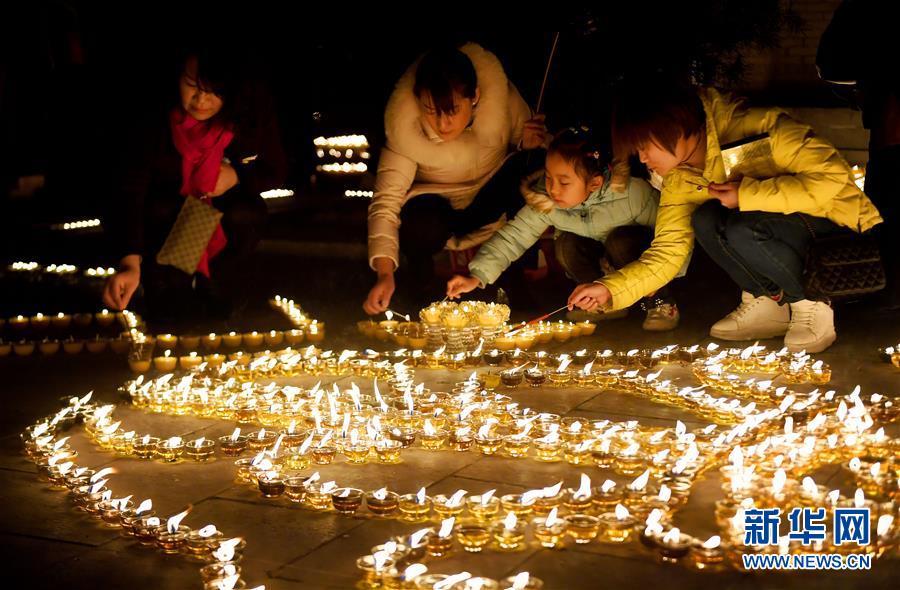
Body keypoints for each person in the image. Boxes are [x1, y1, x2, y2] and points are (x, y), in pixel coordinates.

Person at [568, 83, 882, 352]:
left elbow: (833, 179)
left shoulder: (757, 128)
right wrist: (610, 289)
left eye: (645, 146)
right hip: (778, 230)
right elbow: (669, 251)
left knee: (744, 225)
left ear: (677, 125)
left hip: (838, 230)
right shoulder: (680, 179)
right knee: (705, 219)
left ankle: (811, 301)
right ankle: (769, 302)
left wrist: (748, 195)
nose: (644, 159)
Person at [102, 46, 286, 320]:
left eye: (213, 90)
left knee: (244, 214)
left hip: (224, 213)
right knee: (170, 310)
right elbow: (130, 188)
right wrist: (130, 261)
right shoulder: (154, 119)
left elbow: (277, 168)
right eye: (192, 86)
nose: (201, 99)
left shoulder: (248, 116)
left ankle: (215, 282)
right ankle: (169, 284)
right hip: (167, 216)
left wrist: (237, 175)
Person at [364, 43, 547, 315]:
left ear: (475, 96)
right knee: (420, 223)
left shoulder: (501, 104)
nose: (442, 124)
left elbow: (542, 151)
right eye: (431, 110)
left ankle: (516, 281)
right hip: (437, 212)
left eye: (452, 110)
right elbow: (385, 203)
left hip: (488, 199)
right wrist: (384, 273)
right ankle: (420, 284)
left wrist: (531, 143)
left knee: (528, 168)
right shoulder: (406, 130)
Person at [446, 127, 680, 331]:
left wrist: (661, 280)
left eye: (564, 182)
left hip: (639, 265)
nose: (553, 189)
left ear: (595, 182)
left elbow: (672, 240)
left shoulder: (632, 194)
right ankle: (600, 304)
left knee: (620, 241)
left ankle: (660, 301)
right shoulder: (547, 202)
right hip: (603, 263)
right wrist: (477, 276)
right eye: (548, 178)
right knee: (566, 244)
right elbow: (514, 237)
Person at [818, 0, 900, 311]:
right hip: (889, 130)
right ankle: (887, 289)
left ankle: (888, 290)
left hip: (890, 133)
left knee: (886, 211)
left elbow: (830, 64)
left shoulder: (862, 11)